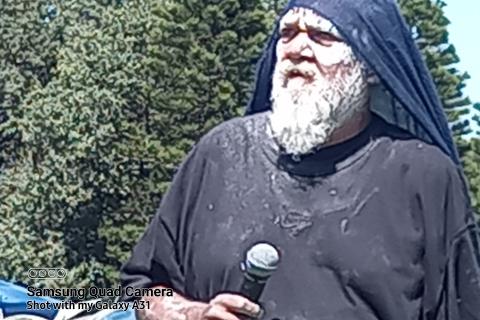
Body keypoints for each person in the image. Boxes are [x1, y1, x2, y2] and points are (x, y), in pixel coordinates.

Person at [120, 0, 480, 319]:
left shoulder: (424, 177)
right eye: (287, 33)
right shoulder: (219, 153)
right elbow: (141, 289)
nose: (298, 48)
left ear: (369, 67)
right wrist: (190, 314)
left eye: (323, 36)